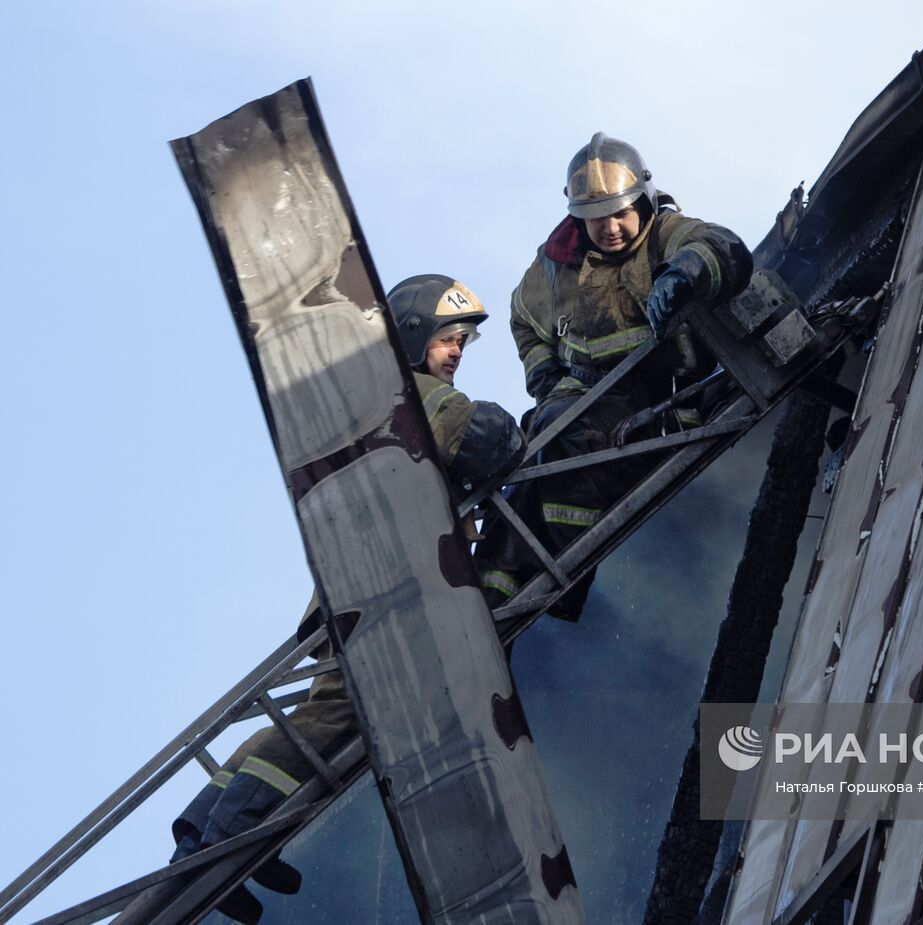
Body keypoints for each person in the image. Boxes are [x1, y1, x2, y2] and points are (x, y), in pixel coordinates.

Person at [168, 275, 525, 924]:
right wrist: (514, 432)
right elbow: (477, 438)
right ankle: (232, 832)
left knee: (324, 707)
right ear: (415, 335)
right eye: (449, 339)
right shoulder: (409, 391)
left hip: (359, 582)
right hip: (389, 582)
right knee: (340, 716)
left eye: (464, 343)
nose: (457, 352)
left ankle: (207, 824)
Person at [476, 133, 753, 616]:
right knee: (529, 457)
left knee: (564, 435)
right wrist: (547, 382)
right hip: (589, 408)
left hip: (666, 412)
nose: (610, 228)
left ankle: (575, 574)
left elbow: (721, 246)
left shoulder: (664, 234)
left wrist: (684, 273)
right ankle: (498, 594)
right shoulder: (553, 271)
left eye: (620, 213)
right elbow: (523, 318)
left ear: (642, 201)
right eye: (595, 218)